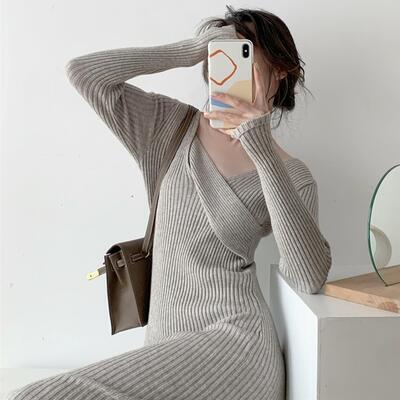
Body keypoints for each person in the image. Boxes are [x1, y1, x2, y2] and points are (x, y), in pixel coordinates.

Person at [7, 6, 332, 400]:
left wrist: (260, 148)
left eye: (241, 49)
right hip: (166, 346)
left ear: (278, 70)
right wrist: (189, 50)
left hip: (236, 345)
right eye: (219, 50)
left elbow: (308, 276)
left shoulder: (291, 174)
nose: (225, 59)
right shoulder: (169, 127)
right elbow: (84, 73)